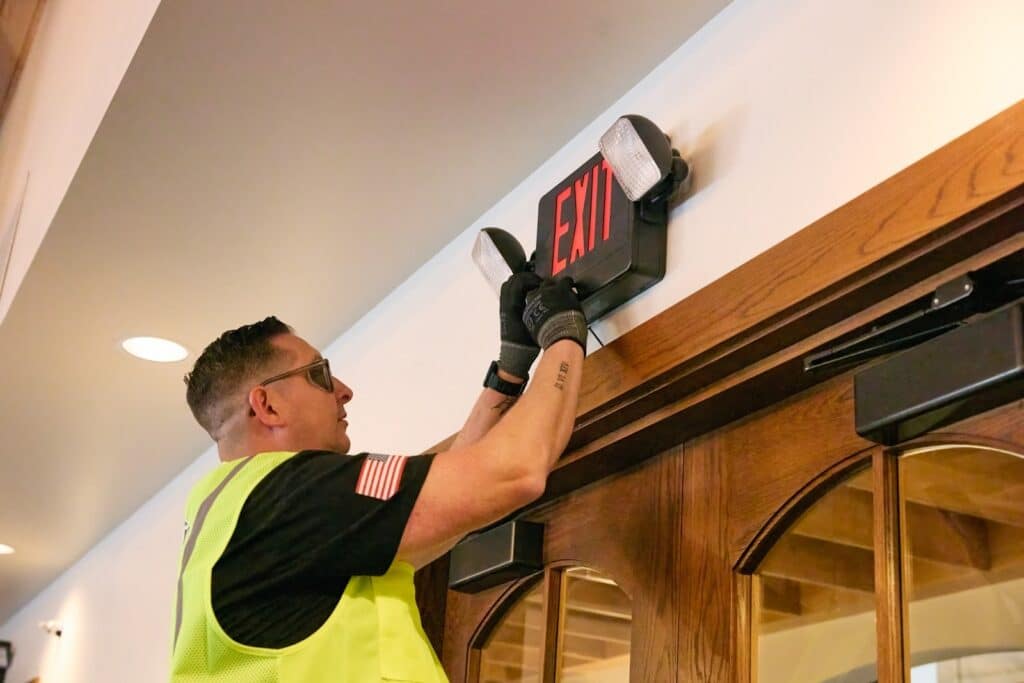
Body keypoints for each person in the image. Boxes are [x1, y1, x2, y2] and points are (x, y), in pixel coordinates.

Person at [169, 274, 587, 682]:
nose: (343, 389)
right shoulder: (288, 493)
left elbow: (446, 501)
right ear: (267, 406)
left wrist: (509, 373)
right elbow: (514, 472)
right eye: (319, 373)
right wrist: (563, 335)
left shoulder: (237, 518)